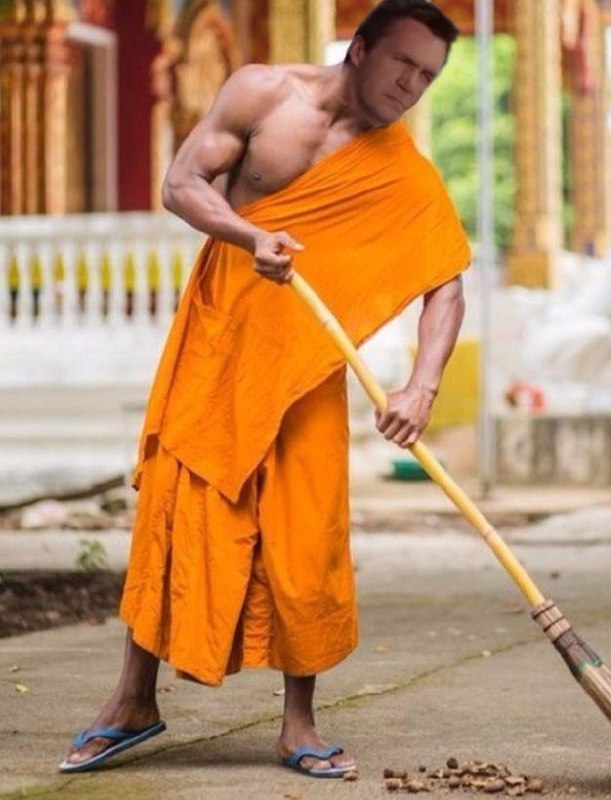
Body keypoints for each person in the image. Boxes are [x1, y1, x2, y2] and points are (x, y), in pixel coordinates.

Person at [60, 0, 470, 778]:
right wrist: (250, 235)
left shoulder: (401, 170)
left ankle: (300, 726)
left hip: (305, 372)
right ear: (360, 49)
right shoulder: (260, 90)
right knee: (177, 513)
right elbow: (181, 184)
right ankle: (133, 701)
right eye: (403, 64)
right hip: (219, 344)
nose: (412, 85)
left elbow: (446, 284)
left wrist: (421, 385)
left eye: (428, 76)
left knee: (303, 533)